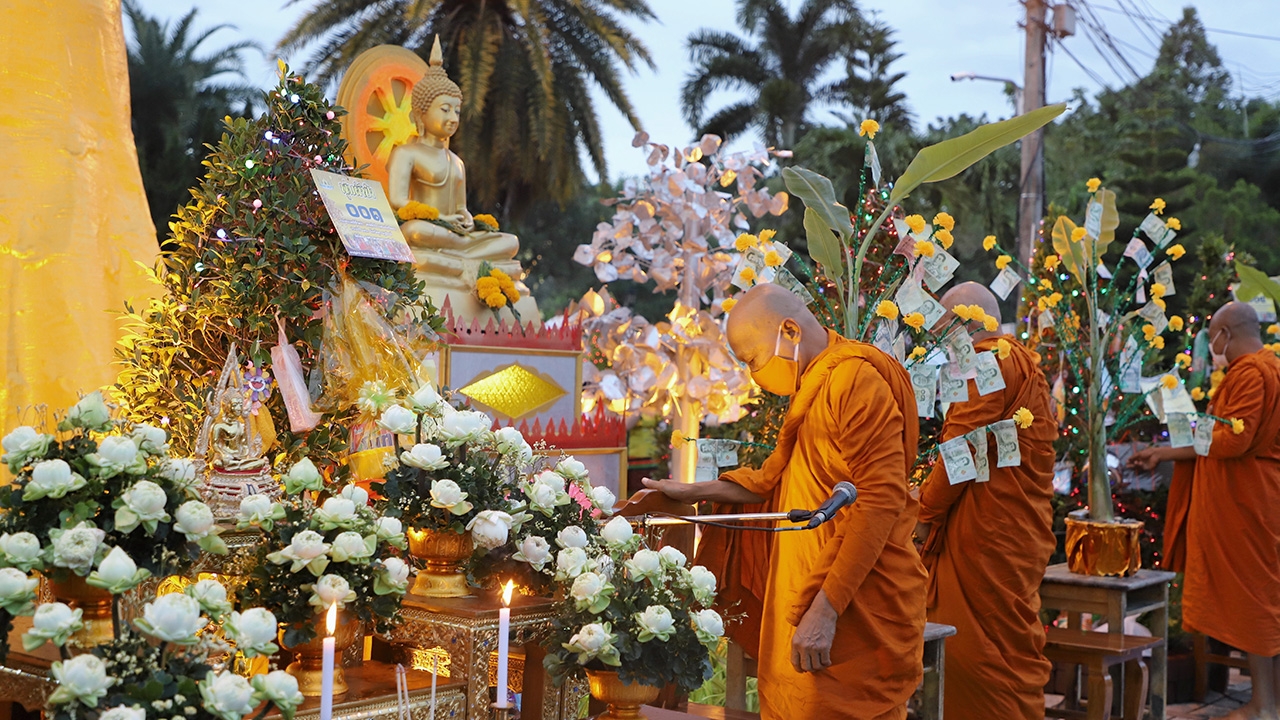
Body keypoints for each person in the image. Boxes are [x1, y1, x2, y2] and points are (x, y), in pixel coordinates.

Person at [643, 283, 926, 719]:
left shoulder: (856, 380)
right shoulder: (813, 381)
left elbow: (879, 500)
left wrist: (826, 609)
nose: (754, 373)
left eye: (752, 359)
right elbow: (774, 481)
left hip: (849, 604)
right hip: (799, 596)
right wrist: (694, 491)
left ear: (789, 331)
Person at [913, 283, 1057, 720]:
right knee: (1006, 647)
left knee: (981, 654)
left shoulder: (986, 362)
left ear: (962, 325)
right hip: (1009, 530)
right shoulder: (1021, 360)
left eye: (942, 333)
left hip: (988, 537)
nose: (940, 345)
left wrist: (921, 512)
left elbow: (962, 450)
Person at [1130, 301, 1280, 720]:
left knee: (1256, 602)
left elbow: (1234, 439)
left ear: (1225, 335)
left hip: (1247, 503)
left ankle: (1264, 706)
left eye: (1212, 336)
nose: (1210, 345)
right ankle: (1271, 701)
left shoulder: (1253, 372)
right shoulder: (1265, 368)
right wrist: (1165, 451)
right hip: (1251, 498)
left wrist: (1188, 427)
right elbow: (1220, 437)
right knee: (1263, 598)